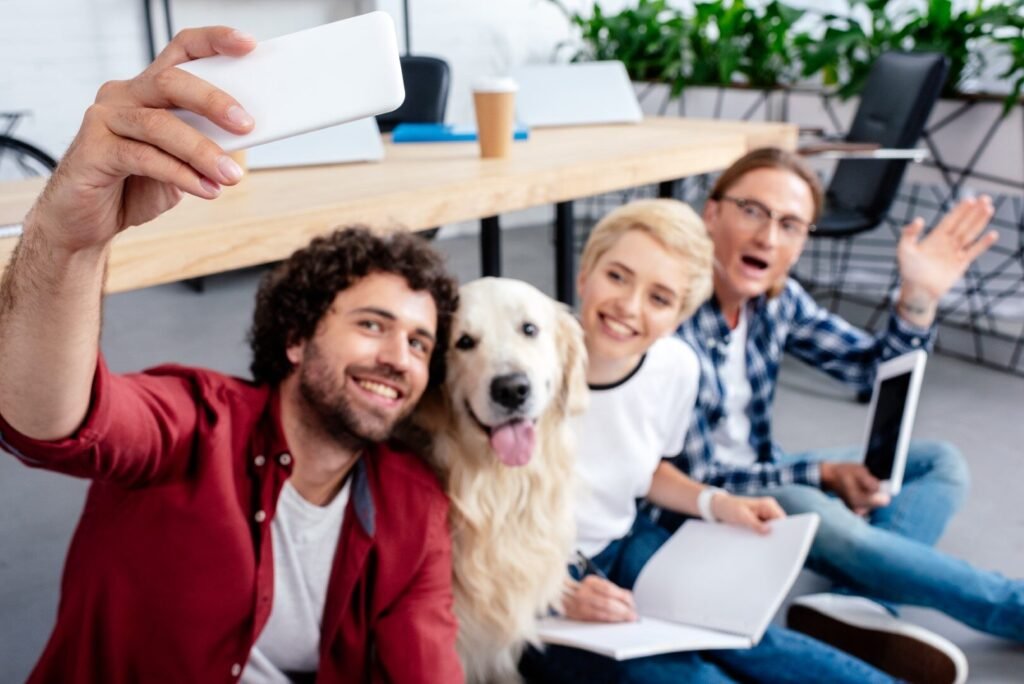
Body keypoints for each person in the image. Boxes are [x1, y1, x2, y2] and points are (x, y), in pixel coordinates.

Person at [0, 28, 463, 683]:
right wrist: (68, 240)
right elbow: (49, 422)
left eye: (419, 342)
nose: (399, 357)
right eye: (372, 324)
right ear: (297, 338)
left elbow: (429, 664)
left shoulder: (413, 506)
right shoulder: (194, 426)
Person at [670, 146, 1021, 682]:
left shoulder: (777, 299)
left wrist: (918, 298)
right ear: (711, 213)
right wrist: (825, 474)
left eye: (789, 224)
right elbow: (703, 477)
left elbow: (866, 370)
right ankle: (1012, 607)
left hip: (768, 468)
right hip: (701, 504)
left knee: (940, 462)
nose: (768, 237)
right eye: (752, 211)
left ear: (802, 240)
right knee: (826, 512)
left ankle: (854, 605)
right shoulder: (673, 314)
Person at [520, 199, 897, 683]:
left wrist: (717, 503)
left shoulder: (676, 366)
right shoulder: (524, 373)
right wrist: (554, 591)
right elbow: (470, 522)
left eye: (659, 298)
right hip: (536, 575)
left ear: (679, 317)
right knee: (680, 674)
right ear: (583, 275)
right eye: (616, 277)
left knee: (747, 637)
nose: (629, 307)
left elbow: (646, 467)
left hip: (624, 542)